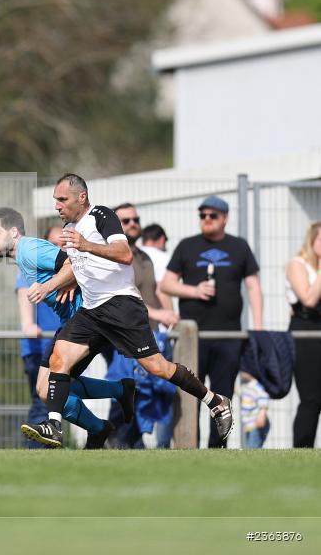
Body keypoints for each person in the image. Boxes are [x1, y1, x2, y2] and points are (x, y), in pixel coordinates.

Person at [22, 174, 233, 448]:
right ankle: (54, 425)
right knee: (59, 358)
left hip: (121, 305)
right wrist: (47, 286)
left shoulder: (101, 215)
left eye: (62, 199)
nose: (57, 206)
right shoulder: (72, 228)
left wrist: (85, 244)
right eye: (55, 201)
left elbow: (125, 254)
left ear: (81, 197)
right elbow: (74, 267)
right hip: (92, 310)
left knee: (157, 367)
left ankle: (215, 401)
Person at [0, 208, 136, 449]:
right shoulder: (23, 258)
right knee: (45, 390)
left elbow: (73, 263)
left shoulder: (30, 249)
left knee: (51, 387)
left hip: (86, 320)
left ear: (13, 232)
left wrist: (58, 283)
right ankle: (114, 401)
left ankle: (83, 424)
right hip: (74, 322)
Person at [160, 195, 263, 448]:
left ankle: (217, 451)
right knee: (188, 395)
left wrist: (258, 327)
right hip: (192, 338)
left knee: (223, 395)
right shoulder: (187, 246)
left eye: (212, 215)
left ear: (225, 218)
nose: (206, 219)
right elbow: (166, 285)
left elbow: (253, 287)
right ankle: (187, 448)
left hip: (228, 337)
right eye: (202, 215)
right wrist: (194, 291)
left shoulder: (239, 247)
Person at [106, 203, 179, 447]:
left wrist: (168, 314)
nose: (133, 224)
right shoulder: (112, 255)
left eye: (135, 219)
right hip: (122, 337)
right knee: (125, 392)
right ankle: (110, 440)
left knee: (146, 392)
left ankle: (128, 444)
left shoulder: (144, 257)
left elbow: (153, 291)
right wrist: (159, 314)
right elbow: (120, 299)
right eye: (125, 221)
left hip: (148, 336)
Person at [14, 226, 63, 448]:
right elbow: (24, 291)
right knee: (43, 401)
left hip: (63, 347)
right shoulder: (34, 268)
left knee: (60, 402)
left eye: (63, 244)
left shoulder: (70, 269)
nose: (59, 249)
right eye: (54, 244)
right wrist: (27, 323)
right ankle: (35, 452)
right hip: (39, 347)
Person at [286, 221, 321, 447]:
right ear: (312, 241)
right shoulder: (297, 265)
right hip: (306, 332)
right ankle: (303, 448)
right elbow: (308, 300)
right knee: (311, 398)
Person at [240, 371, 270, 449]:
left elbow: (263, 398)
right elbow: (239, 392)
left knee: (253, 448)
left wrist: (262, 414)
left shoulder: (257, 386)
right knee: (249, 447)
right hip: (248, 425)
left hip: (256, 424)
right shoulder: (246, 386)